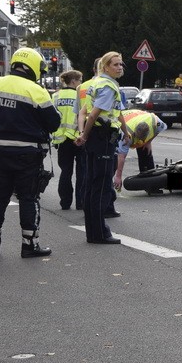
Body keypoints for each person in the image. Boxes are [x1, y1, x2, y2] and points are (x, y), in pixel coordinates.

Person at [0, 47, 61, 257]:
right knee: (28, 197)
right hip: (27, 153)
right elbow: (53, 123)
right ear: (34, 66)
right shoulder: (35, 90)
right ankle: (30, 244)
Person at [75, 52, 131, 245]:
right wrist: (84, 134)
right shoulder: (107, 86)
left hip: (96, 139)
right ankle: (99, 233)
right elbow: (92, 114)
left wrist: (126, 130)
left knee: (91, 185)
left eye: (121, 64)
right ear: (105, 67)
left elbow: (114, 111)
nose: (119, 67)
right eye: (115, 64)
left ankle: (93, 232)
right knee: (100, 188)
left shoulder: (96, 83)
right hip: (102, 138)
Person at [51, 70, 84, 210]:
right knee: (82, 173)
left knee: (66, 172)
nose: (81, 83)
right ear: (73, 81)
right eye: (80, 80)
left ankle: (65, 202)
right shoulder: (80, 95)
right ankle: (80, 203)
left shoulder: (55, 96)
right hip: (78, 138)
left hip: (62, 140)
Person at [113, 110, 167, 193]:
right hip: (120, 122)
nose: (142, 141)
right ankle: (107, 183)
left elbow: (158, 130)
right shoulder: (126, 135)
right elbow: (121, 157)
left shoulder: (155, 123)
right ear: (135, 133)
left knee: (145, 151)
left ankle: (151, 185)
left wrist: (148, 142)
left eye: (144, 139)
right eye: (140, 139)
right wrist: (118, 177)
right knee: (113, 158)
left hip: (140, 115)